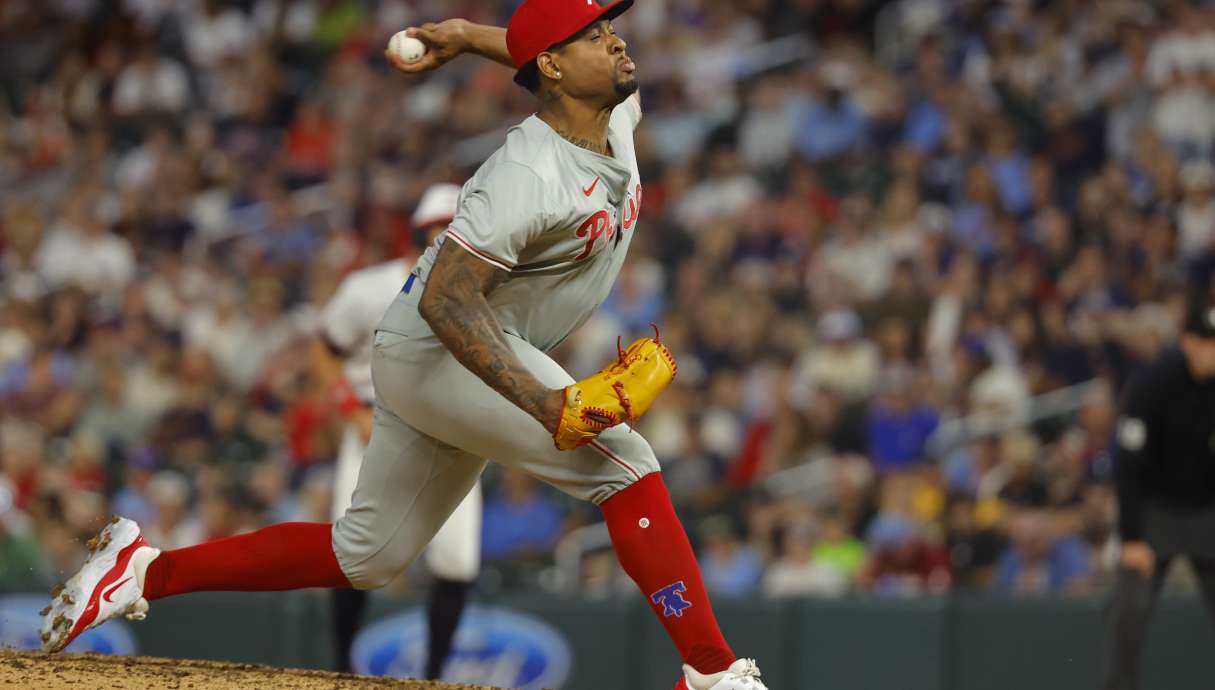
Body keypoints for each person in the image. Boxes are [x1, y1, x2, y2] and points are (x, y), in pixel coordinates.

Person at [40, 3, 769, 689]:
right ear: (554, 67)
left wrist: (463, 33)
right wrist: (546, 402)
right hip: (440, 349)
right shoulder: (525, 175)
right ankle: (710, 670)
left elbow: (528, 49)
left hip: (451, 353)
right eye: (592, 33)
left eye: (610, 25)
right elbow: (446, 297)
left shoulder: (615, 111)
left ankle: (141, 571)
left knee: (369, 554)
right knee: (624, 462)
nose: (614, 38)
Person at [310, 183, 480, 678]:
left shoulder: (486, 295)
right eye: (440, 227)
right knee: (350, 556)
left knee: (456, 561)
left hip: (451, 433)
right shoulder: (368, 287)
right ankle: (341, 669)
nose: (449, 236)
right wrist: (349, 408)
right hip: (375, 424)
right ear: (418, 231)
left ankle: (433, 677)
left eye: (459, 226)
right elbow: (323, 350)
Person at [1103, 297, 1215, 690]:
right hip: (1156, 511)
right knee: (1129, 614)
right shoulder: (1153, 383)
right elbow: (1128, 463)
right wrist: (1132, 536)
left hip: (1214, 511)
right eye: (1207, 341)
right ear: (1187, 342)